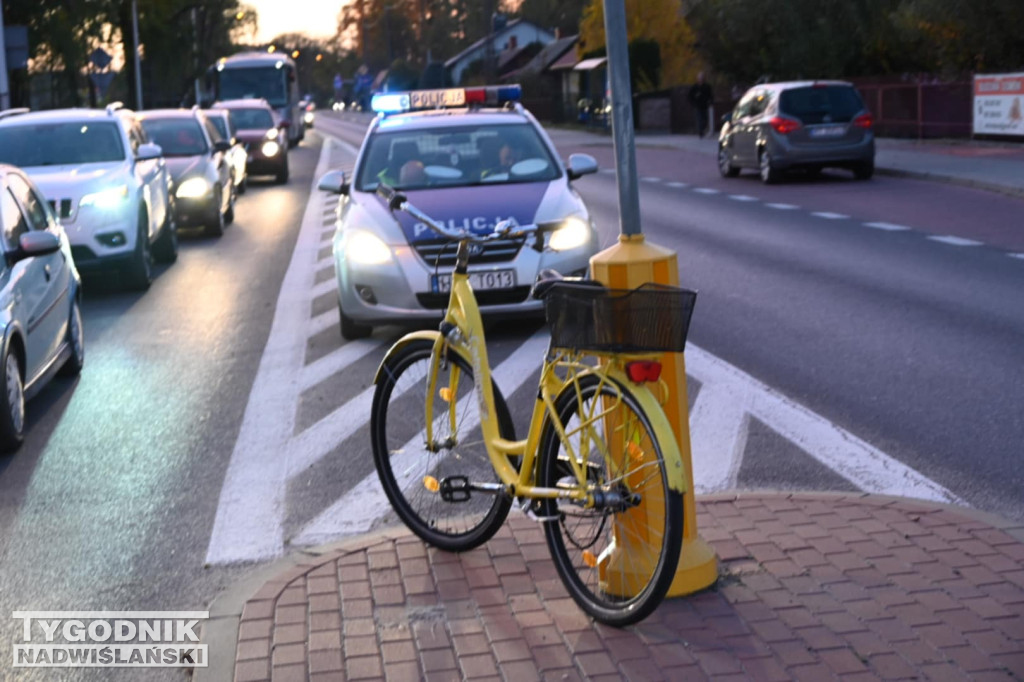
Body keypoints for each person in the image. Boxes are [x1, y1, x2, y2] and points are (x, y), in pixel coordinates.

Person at [688, 72, 713, 138]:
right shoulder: (695, 87)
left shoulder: (707, 86)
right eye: (700, 78)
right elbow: (690, 96)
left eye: (702, 78)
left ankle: (702, 129)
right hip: (697, 105)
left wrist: (710, 102)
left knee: (705, 119)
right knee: (699, 119)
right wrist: (693, 102)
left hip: (705, 105)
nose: (701, 79)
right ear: (698, 79)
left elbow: (710, 95)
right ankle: (700, 132)